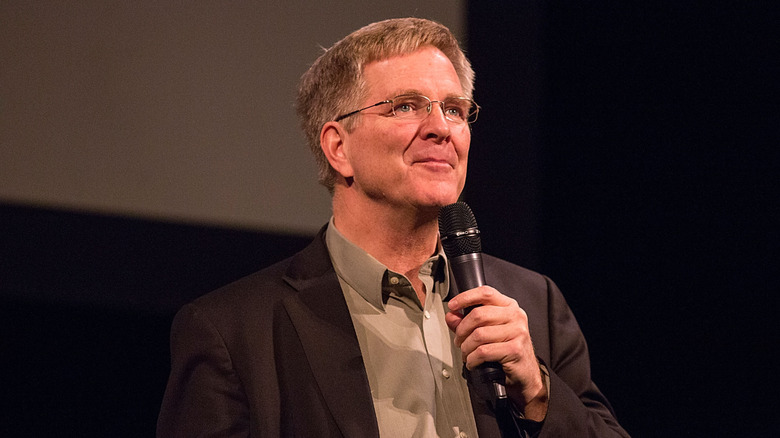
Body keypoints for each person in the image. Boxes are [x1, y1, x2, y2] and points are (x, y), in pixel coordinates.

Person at [157, 18, 629, 438]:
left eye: (455, 109)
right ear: (338, 147)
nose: (440, 128)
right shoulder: (234, 331)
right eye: (406, 106)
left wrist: (538, 392)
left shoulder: (535, 303)